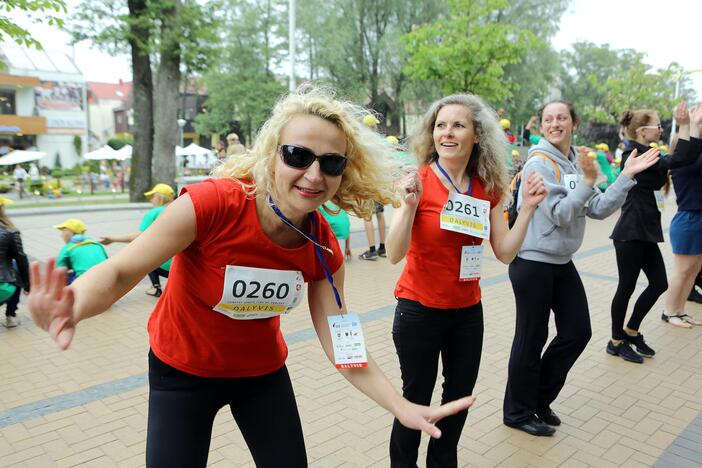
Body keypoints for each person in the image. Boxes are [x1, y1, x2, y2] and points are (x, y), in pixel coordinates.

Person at [27, 87, 473, 468]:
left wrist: (400, 406)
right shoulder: (211, 205)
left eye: (331, 163)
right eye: (298, 156)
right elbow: (123, 270)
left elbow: (342, 339)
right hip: (181, 372)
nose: (314, 175)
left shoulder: (322, 248)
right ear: (271, 154)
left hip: (261, 376)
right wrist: (75, 303)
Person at [386, 94, 546, 467]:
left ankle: (442, 462)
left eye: (458, 125)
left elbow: (505, 251)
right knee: (416, 399)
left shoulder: (486, 187)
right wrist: (408, 207)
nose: (447, 132)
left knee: (459, 397)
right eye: (441, 125)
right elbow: (394, 253)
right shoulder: (418, 181)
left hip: (467, 314)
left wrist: (528, 209)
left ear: (477, 136)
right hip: (419, 311)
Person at [503, 100, 660, 437]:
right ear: (542, 126)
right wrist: (587, 182)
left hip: (561, 261)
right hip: (533, 262)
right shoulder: (539, 164)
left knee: (578, 331)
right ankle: (517, 412)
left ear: (573, 122)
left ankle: (538, 400)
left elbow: (598, 209)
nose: (555, 124)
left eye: (561, 118)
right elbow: (559, 213)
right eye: (548, 119)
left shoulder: (574, 160)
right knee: (531, 339)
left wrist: (626, 177)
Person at [608, 103, 702, 357]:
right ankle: (616, 342)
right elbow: (682, 158)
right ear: (641, 131)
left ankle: (631, 331)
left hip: (645, 230)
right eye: (658, 126)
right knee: (625, 287)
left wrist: (687, 125)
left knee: (659, 283)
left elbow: (685, 157)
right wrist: (685, 125)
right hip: (630, 231)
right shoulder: (633, 155)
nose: (661, 130)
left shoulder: (646, 151)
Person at [662, 103, 702, 328]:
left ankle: (680, 310)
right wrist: (693, 124)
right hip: (688, 221)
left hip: (698, 220)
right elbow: (693, 152)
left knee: (694, 270)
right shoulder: (685, 163)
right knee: (682, 271)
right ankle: (669, 311)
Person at [100, 183, 176, 297]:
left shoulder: (154, 213)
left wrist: (112, 239)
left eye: (152, 197)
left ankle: (156, 288)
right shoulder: (178, 210)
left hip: (168, 268)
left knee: (145, 254)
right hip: (183, 266)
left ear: (160, 197)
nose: (150, 200)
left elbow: (137, 236)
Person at [359, 113, 388, 260]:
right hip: (379, 183)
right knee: (380, 214)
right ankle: (382, 247)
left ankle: (371, 250)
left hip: (367, 183)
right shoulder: (380, 142)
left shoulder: (362, 142)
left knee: (367, 216)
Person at [0, 196, 29, 328]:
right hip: (3, 288)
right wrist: (28, 284)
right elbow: (21, 260)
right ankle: (11, 316)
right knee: (16, 269)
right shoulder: (10, 232)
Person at [54, 219, 108, 284]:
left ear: (70, 232)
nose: (61, 235)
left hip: (86, 284)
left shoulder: (68, 248)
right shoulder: (96, 244)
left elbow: (59, 271)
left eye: (63, 231)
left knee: (62, 279)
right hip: (108, 279)